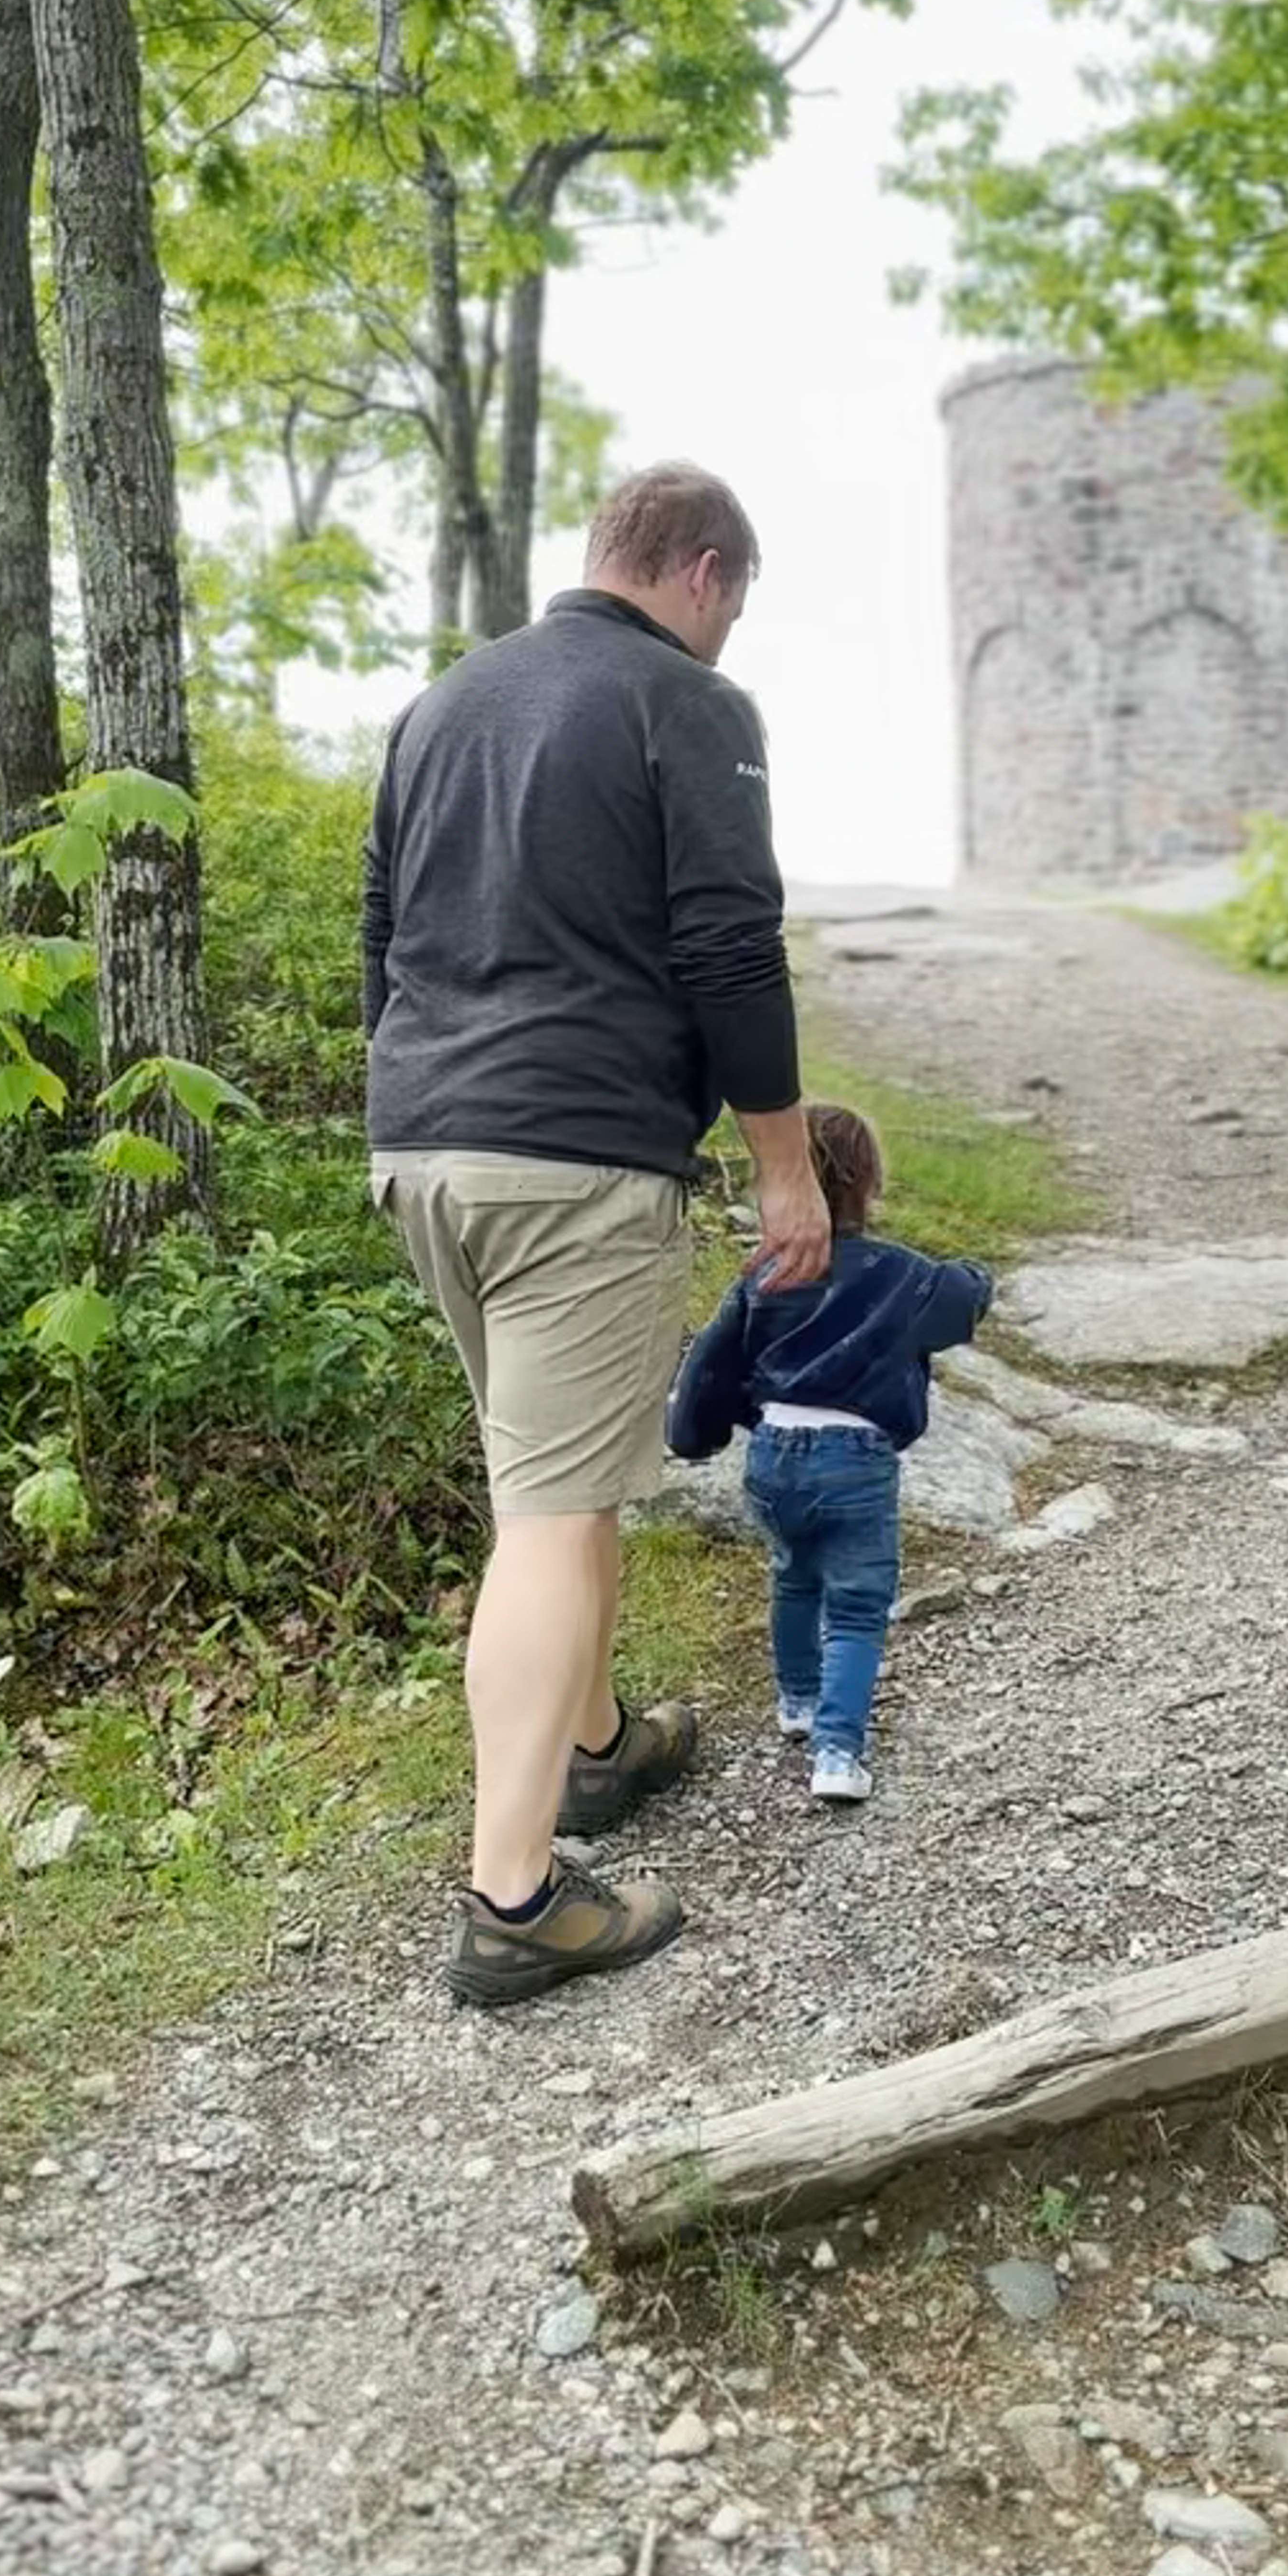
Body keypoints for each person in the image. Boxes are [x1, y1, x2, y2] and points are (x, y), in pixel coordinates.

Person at [363, 464, 831, 2009]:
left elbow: (383, 937)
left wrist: (430, 1099)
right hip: (577, 1158)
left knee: (556, 1483)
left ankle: (597, 1743)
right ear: (703, 572)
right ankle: (515, 1898)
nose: (725, 637)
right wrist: (785, 1166)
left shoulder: (446, 703)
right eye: (733, 608)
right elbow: (725, 942)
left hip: (427, 1145)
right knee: (552, 1519)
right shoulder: (687, 703)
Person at [666, 1104, 993, 1800]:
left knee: (793, 1576)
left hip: (774, 1456)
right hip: (853, 1461)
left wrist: (692, 1433)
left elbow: (711, 1360)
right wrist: (977, 1274)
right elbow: (963, 1297)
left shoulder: (766, 1275)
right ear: (867, 1182)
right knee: (855, 1607)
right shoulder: (903, 1275)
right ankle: (838, 1754)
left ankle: (798, 1701)